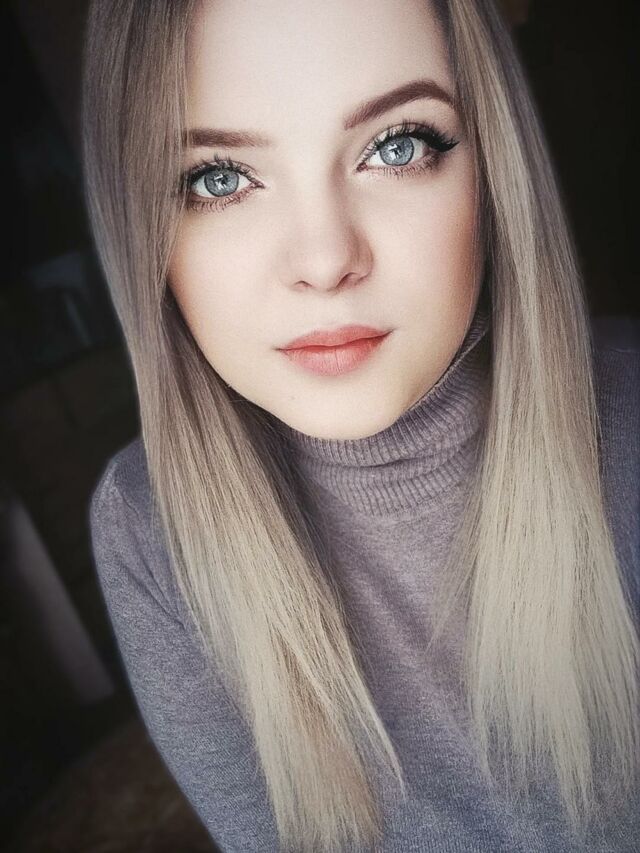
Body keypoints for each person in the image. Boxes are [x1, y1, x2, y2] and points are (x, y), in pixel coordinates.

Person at [83, 0, 640, 850]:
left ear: (493, 166)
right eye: (218, 177)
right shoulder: (147, 529)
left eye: (398, 145)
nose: (324, 259)